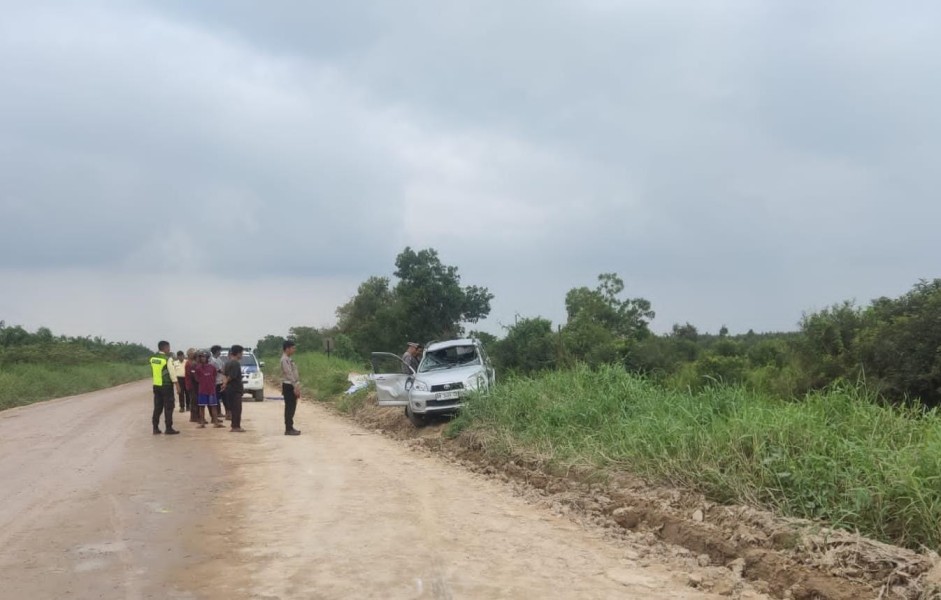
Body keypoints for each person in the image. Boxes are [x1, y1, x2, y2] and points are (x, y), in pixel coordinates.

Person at [150, 341, 179, 435]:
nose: (169, 349)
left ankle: (155, 428)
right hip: (166, 385)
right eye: (168, 347)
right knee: (169, 407)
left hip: (156, 385)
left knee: (157, 407)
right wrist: (177, 385)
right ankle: (168, 428)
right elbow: (172, 373)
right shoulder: (167, 359)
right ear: (165, 348)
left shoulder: (153, 358)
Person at [193, 350, 224, 428]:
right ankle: (202, 423)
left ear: (207, 358)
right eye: (200, 357)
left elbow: (214, 376)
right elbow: (196, 378)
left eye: (203, 357)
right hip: (202, 391)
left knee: (213, 406)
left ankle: (216, 422)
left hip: (211, 390)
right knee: (201, 407)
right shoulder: (198, 368)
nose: (202, 358)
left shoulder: (212, 367)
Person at [221, 344, 246, 432]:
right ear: (238, 353)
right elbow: (232, 376)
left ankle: (234, 425)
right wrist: (226, 382)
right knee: (237, 409)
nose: (242, 355)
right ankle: (236, 426)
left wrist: (224, 383)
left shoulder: (227, 363)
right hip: (235, 389)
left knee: (233, 408)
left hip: (229, 389)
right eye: (241, 353)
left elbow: (223, 374)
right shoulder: (235, 363)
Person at [280, 340, 301, 436]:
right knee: (289, 407)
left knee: (292, 407)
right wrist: (295, 386)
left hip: (292, 384)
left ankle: (290, 427)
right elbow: (288, 373)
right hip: (289, 385)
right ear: (287, 348)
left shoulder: (289, 359)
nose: (294, 350)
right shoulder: (284, 359)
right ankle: (288, 428)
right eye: (293, 348)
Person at [210, 345, 228, 420]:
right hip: (215, 382)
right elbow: (219, 370)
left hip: (221, 381)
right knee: (216, 399)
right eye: (219, 351)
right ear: (216, 351)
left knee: (225, 398)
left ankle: (225, 413)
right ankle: (217, 413)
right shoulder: (212, 361)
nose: (220, 352)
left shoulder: (219, 360)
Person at [185, 348, 200, 423]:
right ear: (189, 354)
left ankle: (196, 416)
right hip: (192, 385)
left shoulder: (193, 363)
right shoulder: (189, 363)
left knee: (195, 401)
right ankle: (194, 417)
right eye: (193, 353)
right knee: (194, 401)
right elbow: (192, 375)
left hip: (194, 385)